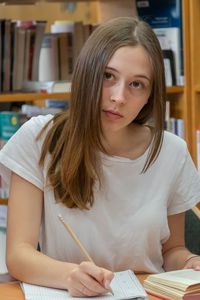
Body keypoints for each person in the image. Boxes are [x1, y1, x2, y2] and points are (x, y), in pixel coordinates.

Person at [0, 16, 200, 297]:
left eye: (137, 84)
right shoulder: (39, 139)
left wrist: (190, 262)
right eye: (108, 76)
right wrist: (70, 276)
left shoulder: (172, 152)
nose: (119, 97)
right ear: (87, 73)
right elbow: (19, 255)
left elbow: (172, 251)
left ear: (150, 95)